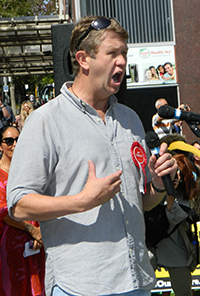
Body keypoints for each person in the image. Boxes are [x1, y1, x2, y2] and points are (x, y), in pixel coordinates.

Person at [7, 15, 177, 296]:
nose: (122, 61)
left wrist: (159, 183)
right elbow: (19, 204)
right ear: (83, 59)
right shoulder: (46, 120)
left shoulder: (130, 119)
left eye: (124, 53)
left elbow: (144, 202)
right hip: (81, 285)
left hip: (137, 280)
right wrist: (81, 201)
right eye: (113, 53)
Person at [0, 126, 45, 295]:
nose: (14, 144)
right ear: (0, 146)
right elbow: (3, 211)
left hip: (35, 243)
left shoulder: (30, 171)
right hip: (10, 244)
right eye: (9, 141)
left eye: (18, 139)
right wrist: (31, 229)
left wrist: (40, 231)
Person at [149, 153, 199, 296]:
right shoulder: (156, 185)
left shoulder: (187, 193)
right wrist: (161, 185)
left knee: (183, 290)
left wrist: (171, 191)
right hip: (150, 246)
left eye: (176, 174)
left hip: (176, 248)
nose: (173, 177)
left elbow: (174, 218)